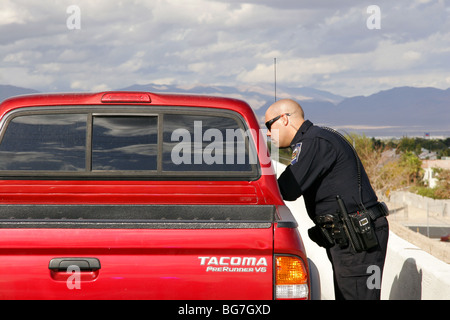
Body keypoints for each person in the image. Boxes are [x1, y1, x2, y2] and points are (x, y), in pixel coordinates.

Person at [265, 99, 389, 300]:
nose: (269, 133)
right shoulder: (315, 140)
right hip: (351, 238)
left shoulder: (314, 142)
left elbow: (287, 189)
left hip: (359, 239)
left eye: (269, 125)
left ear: (285, 119)